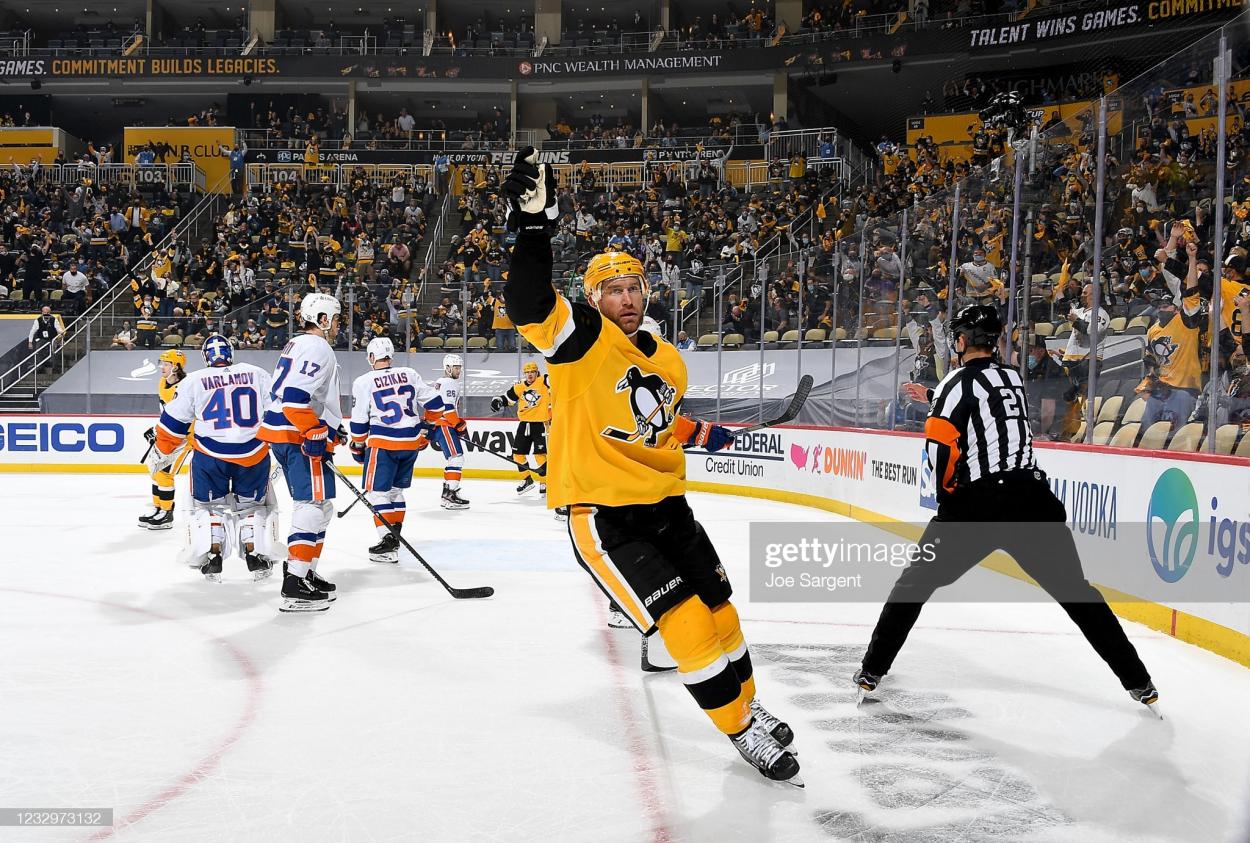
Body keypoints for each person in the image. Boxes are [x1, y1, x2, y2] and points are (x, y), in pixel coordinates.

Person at [502, 147, 802, 787]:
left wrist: (708, 432)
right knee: (687, 621)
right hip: (606, 516)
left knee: (723, 611)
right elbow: (529, 302)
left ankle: (745, 704)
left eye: (634, 285)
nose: (626, 296)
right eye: (612, 287)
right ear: (592, 297)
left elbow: (660, 422)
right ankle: (740, 730)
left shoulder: (667, 356)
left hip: (669, 505)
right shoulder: (579, 338)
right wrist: (534, 230)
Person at [855, 305, 1158, 711]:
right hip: (1032, 499)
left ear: (961, 342)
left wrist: (948, 502)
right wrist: (935, 396)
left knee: (912, 585)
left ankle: (872, 671)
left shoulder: (954, 383)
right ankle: (1140, 682)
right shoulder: (1011, 377)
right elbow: (984, 406)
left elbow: (941, 447)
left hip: (978, 504)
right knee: (1077, 594)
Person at [152, 335, 278, 582]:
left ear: (205, 356)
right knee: (251, 506)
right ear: (231, 353)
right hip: (253, 454)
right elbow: (276, 412)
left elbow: (172, 424)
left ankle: (213, 555)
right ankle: (255, 554)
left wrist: (162, 449)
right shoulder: (257, 373)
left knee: (208, 507)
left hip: (210, 457)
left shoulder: (195, 380)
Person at [258, 292, 344, 612]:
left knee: (322, 508)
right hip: (297, 435)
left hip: (286, 432)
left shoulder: (298, 344)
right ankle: (294, 582)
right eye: (334, 319)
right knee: (311, 505)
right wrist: (313, 429)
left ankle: (306, 571)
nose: (337, 324)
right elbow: (295, 398)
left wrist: (331, 429)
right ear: (322, 320)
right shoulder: (317, 346)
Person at [348, 337, 446, 563]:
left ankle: (387, 539)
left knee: (376, 493)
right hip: (410, 443)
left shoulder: (364, 381)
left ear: (372, 357)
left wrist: (358, 445)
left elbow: (360, 421)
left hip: (383, 443)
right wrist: (426, 427)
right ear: (390, 356)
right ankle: (394, 537)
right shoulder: (410, 374)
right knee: (395, 492)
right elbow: (437, 406)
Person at [1139, 246, 1204, 430]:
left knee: (1178, 433)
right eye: (1159, 306)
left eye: (1166, 306)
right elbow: (1151, 359)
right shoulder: (1152, 330)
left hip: (1185, 390)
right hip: (1161, 390)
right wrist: (1148, 385)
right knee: (1146, 430)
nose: (1161, 309)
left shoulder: (1187, 321)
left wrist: (1192, 258)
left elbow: (1191, 291)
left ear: (1175, 308)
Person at [139, 348, 191, 530]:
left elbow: (189, 416)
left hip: (184, 438)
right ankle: (158, 508)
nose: (162, 367)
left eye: (166, 364)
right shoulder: (162, 382)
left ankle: (167, 513)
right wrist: (158, 430)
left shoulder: (186, 387)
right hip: (167, 434)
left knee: (165, 473)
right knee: (154, 469)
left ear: (176, 367)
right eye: (162, 363)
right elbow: (167, 413)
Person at [489, 361, 552, 495]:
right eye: (527, 372)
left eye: (532, 372)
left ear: (537, 373)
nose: (530, 375)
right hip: (524, 423)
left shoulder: (544, 381)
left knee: (540, 454)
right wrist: (497, 401)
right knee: (517, 453)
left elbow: (555, 378)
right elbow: (507, 398)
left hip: (541, 423)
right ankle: (526, 479)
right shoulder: (519, 387)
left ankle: (545, 482)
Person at [430, 353, 470, 510]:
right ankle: (449, 495)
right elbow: (447, 408)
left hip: (442, 425)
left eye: (460, 367)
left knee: (454, 459)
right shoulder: (449, 383)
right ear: (447, 368)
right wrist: (458, 424)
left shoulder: (441, 382)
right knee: (456, 459)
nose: (459, 370)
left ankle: (448, 494)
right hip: (445, 424)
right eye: (456, 367)